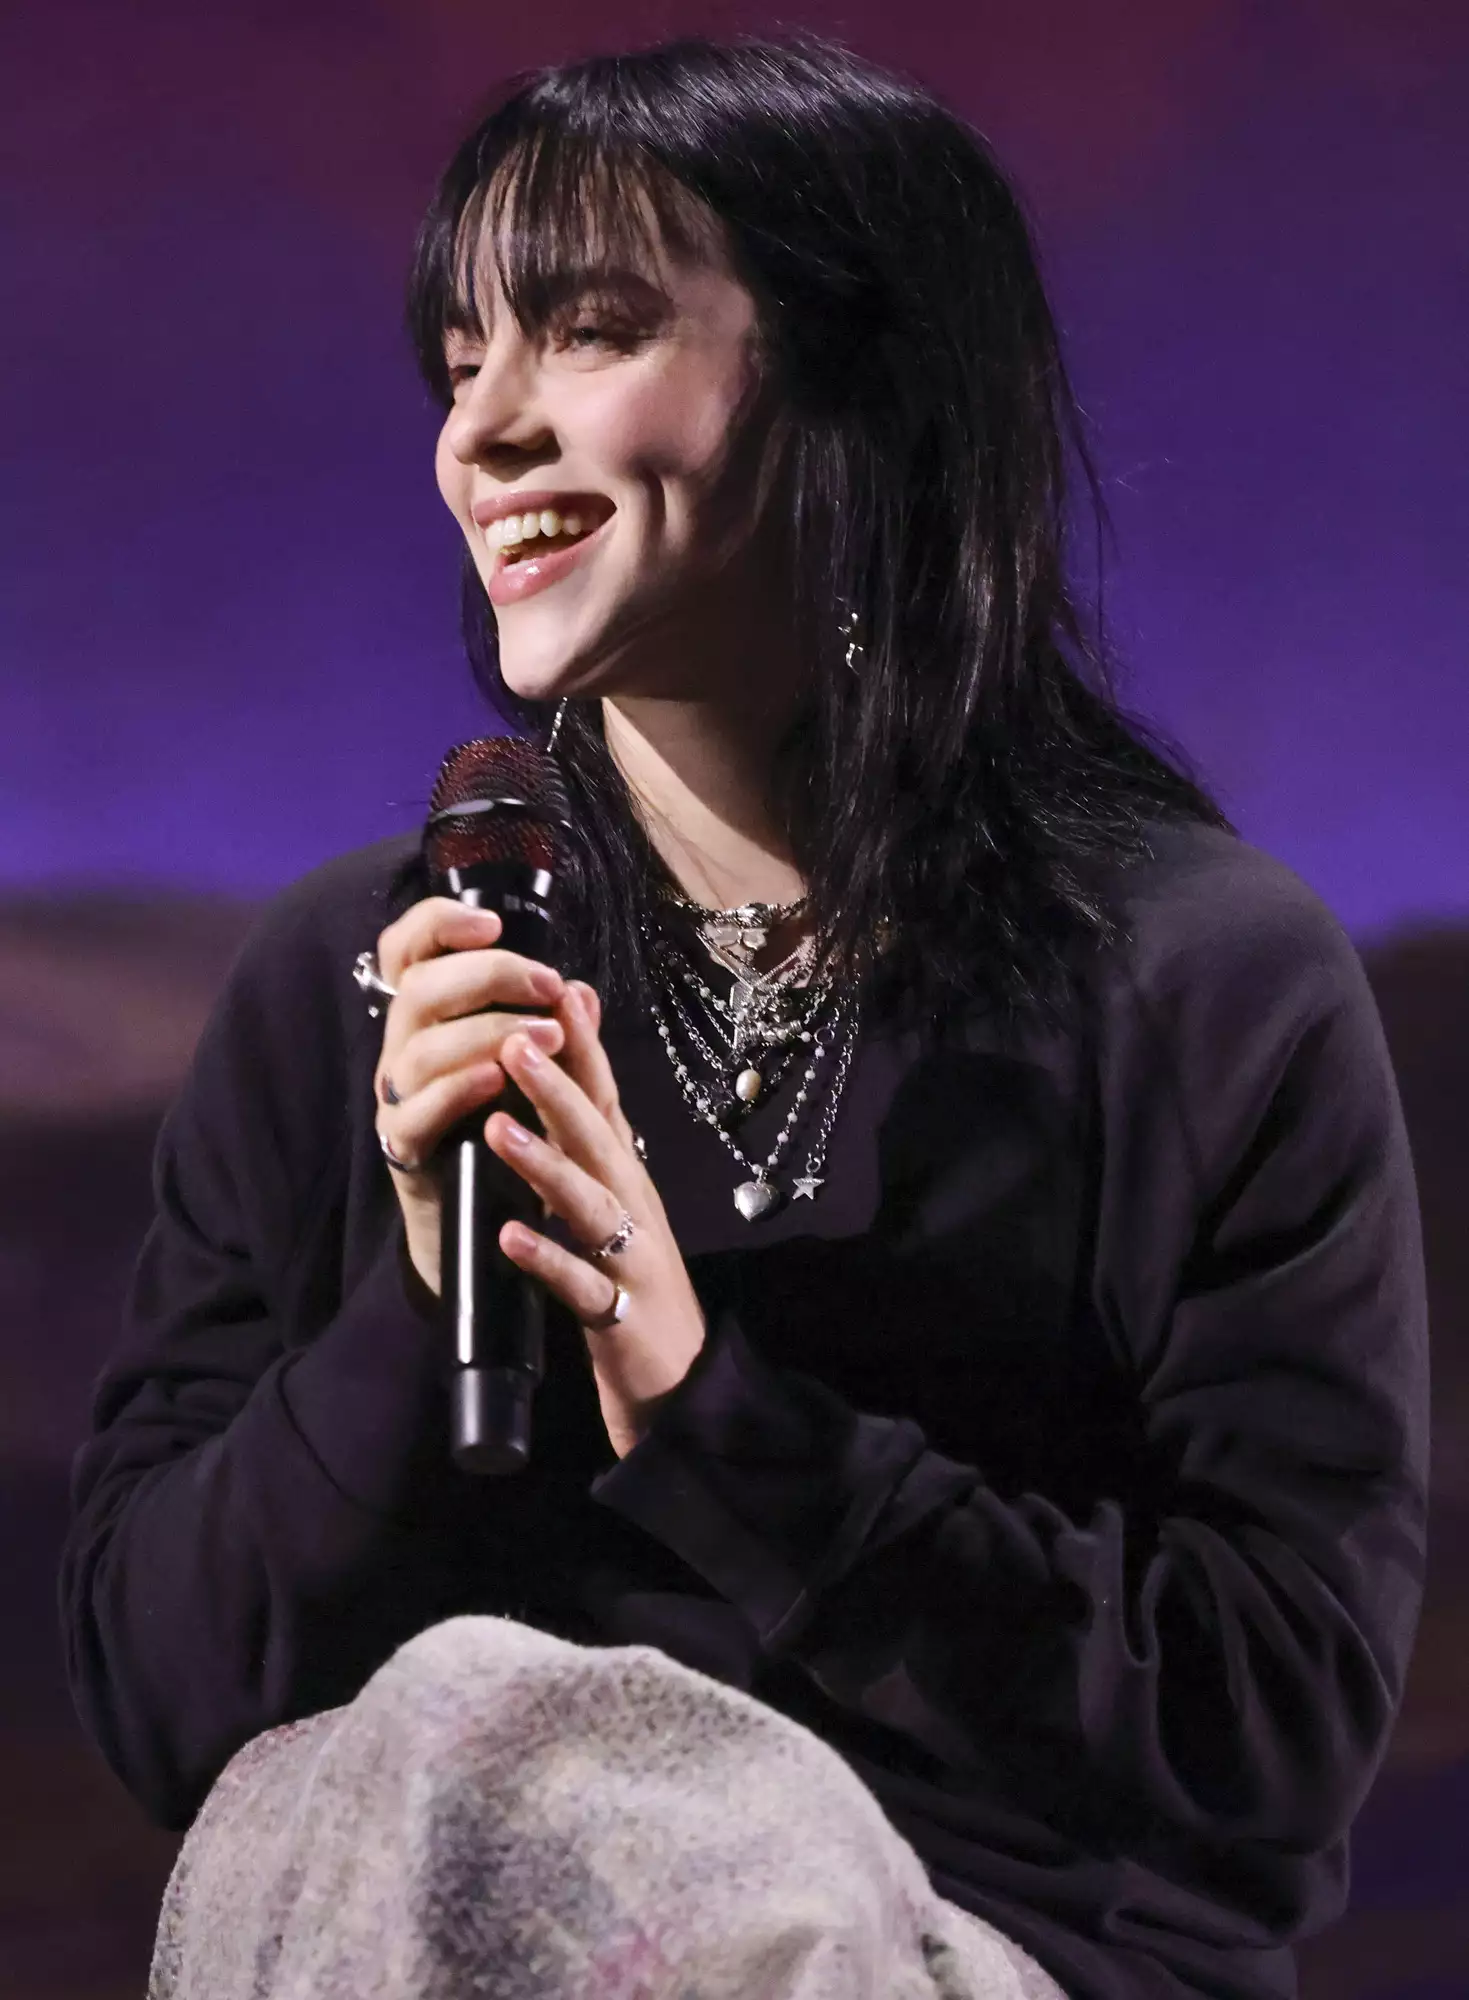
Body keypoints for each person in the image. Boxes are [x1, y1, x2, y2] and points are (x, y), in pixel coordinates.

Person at [59, 31, 1428, 2000]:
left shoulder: (1203, 981)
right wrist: (412, 1299)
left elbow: (1265, 1744)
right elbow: (171, 1710)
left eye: (586, 331)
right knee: (447, 1742)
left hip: (992, 1957)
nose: (481, 434)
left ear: (858, 381)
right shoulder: (345, 991)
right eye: (458, 365)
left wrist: (708, 1408)